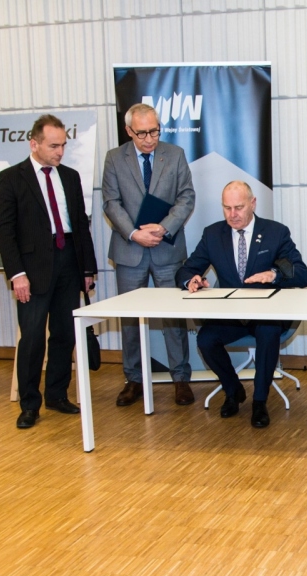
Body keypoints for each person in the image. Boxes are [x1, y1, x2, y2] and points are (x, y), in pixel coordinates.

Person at [175, 181, 307, 428]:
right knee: (205, 339)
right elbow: (187, 269)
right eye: (227, 208)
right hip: (231, 315)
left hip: (266, 313)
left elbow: (302, 274)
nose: (232, 215)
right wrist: (190, 280)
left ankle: (260, 401)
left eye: (238, 207)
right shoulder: (213, 234)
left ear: (253, 203)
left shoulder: (275, 232)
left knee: (268, 333)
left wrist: (275, 276)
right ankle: (233, 389)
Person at [0, 114, 97, 429]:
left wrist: (88, 267)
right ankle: (29, 404)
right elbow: (5, 231)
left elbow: (81, 224)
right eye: (54, 146)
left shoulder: (70, 176)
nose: (60, 152)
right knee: (33, 337)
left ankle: (56, 394)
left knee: (65, 334)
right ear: (34, 143)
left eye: (63, 145)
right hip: (32, 269)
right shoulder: (12, 178)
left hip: (68, 262)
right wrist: (17, 274)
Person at [102, 103, 195, 407]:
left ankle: (181, 378)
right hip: (130, 250)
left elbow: (186, 197)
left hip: (166, 248)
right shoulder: (115, 159)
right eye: (142, 133)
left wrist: (163, 227)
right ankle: (134, 380)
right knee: (129, 319)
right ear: (129, 131)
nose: (149, 138)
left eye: (154, 130)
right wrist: (134, 233)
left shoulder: (176, 154)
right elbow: (111, 203)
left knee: (174, 317)